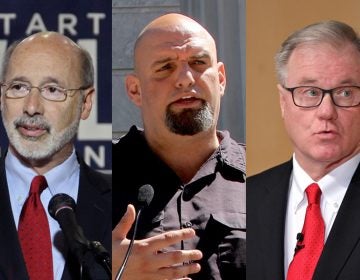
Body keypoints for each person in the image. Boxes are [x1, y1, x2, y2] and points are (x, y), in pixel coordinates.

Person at [112, 13, 246, 280]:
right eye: (165, 67)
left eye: (198, 62)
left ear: (220, 79)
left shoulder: (266, 180)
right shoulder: (89, 182)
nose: (185, 78)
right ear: (135, 90)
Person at [247, 20, 360, 280]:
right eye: (310, 92)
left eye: (345, 93)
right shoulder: (248, 198)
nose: (326, 112)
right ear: (283, 102)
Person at [0, 32, 111, 279]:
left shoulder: (123, 205)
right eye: (18, 87)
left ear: (85, 103)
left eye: (52, 89)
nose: (31, 107)